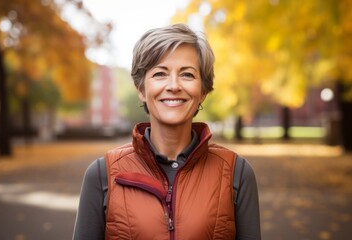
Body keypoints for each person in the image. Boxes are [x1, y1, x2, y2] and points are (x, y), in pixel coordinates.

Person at [73, 23, 261, 240]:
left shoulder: (237, 173)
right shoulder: (101, 174)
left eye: (187, 75)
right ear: (142, 89)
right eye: (160, 73)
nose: (173, 85)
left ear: (203, 92)